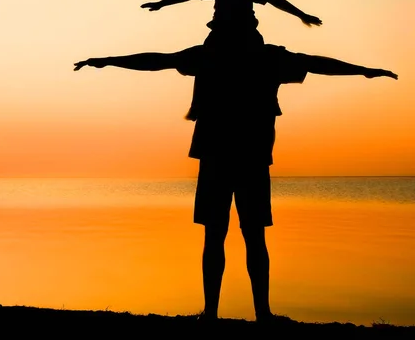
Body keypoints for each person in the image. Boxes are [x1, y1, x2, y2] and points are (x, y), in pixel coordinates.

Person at [73, 44, 397, 324]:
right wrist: (107, 60)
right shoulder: (255, 57)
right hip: (243, 157)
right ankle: (238, 314)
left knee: (230, 236)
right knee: (239, 236)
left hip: (231, 157)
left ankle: (235, 314)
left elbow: (159, 60)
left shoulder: (223, 56)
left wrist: (366, 70)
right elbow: (157, 60)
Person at [140, 0, 322, 121]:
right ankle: (202, 105)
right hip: (236, 35)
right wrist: (302, 15)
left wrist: (161, 4)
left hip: (236, 35)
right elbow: (275, 0)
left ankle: (200, 105)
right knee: (208, 60)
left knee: (208, 62)